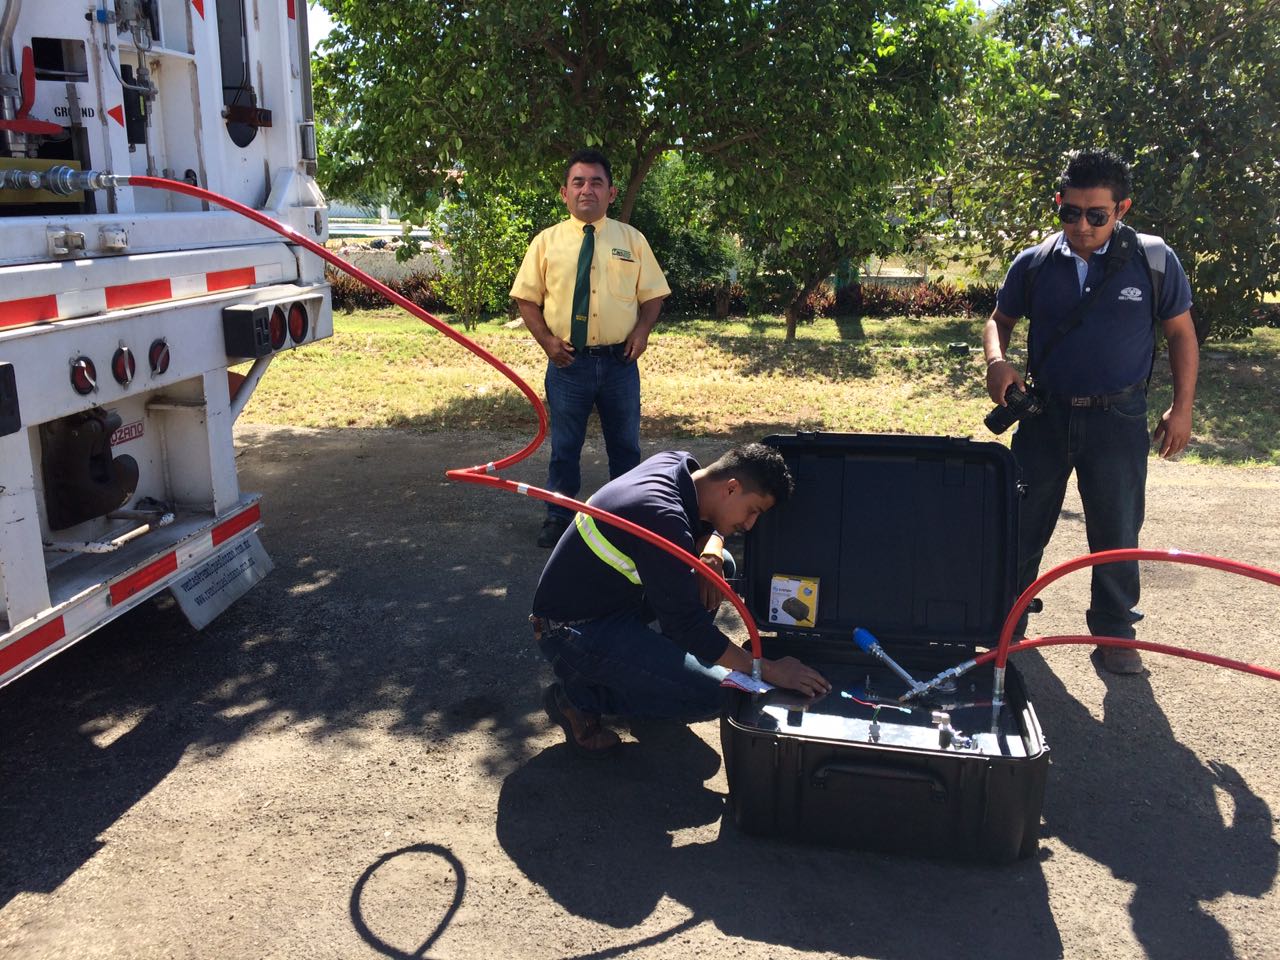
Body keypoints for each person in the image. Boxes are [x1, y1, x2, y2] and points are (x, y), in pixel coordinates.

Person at [983, 148, 1199, 674]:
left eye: (1096, 215)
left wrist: (1182, 408)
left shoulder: (1152, 259)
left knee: (1117, 527)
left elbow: (1181, 334)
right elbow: (1000, 320)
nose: (1081, 225)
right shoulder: (1034, 262)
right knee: (1021, 523)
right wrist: (996, 361)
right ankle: (1005, 626)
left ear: (1121, 208)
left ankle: (1115, 632)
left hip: (1118, 418)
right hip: (1044, 417)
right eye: (1070, 211)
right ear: (1059, 203)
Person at [530, 443, 831, 758]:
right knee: (720, 694)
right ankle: (580, 697)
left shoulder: (679, 466)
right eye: (753, 510)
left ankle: (654, 672)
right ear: (731, 488)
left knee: (721, 564)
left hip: (611, 603)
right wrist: (766, 669)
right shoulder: (659, 516)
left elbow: (698, 521)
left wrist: (714, 540)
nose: (751, 525)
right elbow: (686, 627)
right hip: (573, 632)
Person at [511, 149, 671, 548]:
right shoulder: (546, 243)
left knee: (625, 446)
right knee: (565, 447)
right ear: (564, 193)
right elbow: (526, 299)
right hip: (568, 364)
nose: (587, 190)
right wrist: (547, 342)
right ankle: (558, 515)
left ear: (612, 192)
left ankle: (627, 519)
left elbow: (652, 295)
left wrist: (643, 331)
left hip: (620, 363)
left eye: (596, 182)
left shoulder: (631, 240)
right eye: (578, 182)